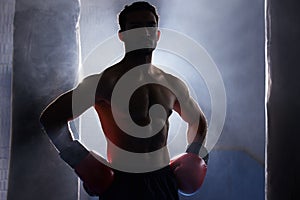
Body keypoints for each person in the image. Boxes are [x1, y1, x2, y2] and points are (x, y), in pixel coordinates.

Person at [40, 1, 208, 200]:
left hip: (162, 182)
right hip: (123, 184)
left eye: (150, 26)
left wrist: (194, 157)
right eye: (136, 27)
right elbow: (51, 118)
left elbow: (198, 122)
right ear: (122, 35)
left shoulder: (172, 84)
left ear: (157, 34)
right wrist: (80, 160)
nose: (144, 33)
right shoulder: (104, 82)